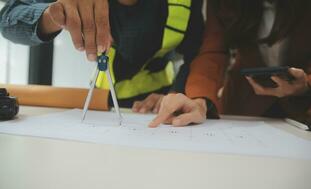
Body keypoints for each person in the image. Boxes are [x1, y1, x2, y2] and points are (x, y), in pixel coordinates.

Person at [0, 0, 204, 111]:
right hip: (99, 107)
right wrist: (54, 14)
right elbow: (8, 18)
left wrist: (179, 93)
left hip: (162, 109)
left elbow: (198, 53)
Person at [149, 0, 311, 128]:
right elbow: (213, 50)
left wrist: (306, 86)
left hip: (304, 112)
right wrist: (199, 100)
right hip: (245, 107)